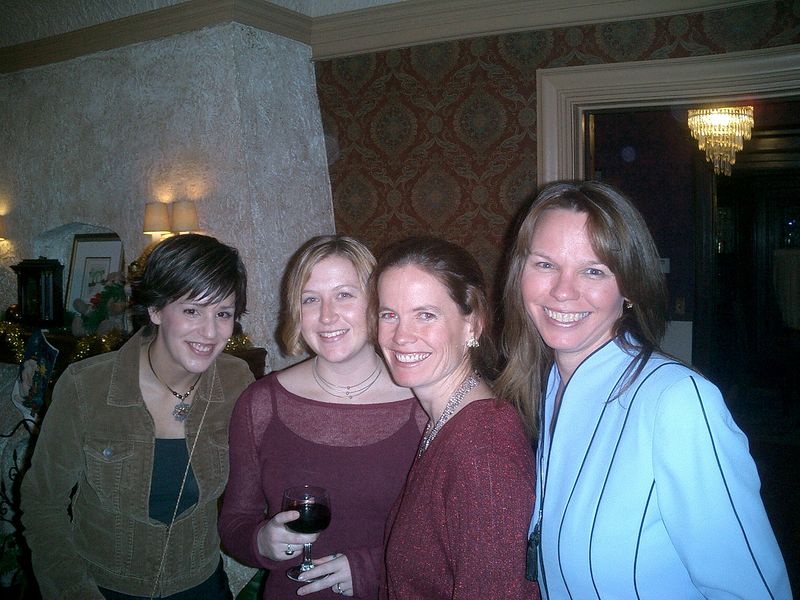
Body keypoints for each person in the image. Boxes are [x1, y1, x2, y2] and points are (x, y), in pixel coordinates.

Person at [496, 181, 791, 599]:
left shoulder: (678, 403)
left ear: (630, 287)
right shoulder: (547, 387)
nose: (563, 291)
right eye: (545, 264)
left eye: (594, 270)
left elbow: (753, 591)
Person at [21, 233, 254, 600]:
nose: (210, 332)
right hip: (101, 588)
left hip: (201, 585)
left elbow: (264, 477)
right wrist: (72, 590)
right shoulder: (86, 387)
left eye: (223, 313)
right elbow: (42, 504)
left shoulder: (237, 380)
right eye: (192, 310)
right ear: (156, 310)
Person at [218, 235, 425, 599]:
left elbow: (451, 534)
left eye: (344, 295)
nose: (327, 316)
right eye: (310, 299)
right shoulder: (261, 403)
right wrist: (261, 541)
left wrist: (372, 568)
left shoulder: (424, 403)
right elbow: (234, 523)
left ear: (376, 303)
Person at [373, 236, 539, 600]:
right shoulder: (447, 420)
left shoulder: (484, 449)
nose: (401, 336)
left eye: (425, 315)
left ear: (472, 324)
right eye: (389, 315)